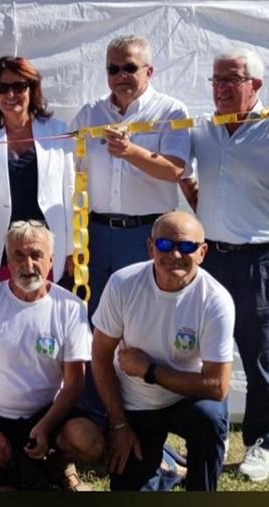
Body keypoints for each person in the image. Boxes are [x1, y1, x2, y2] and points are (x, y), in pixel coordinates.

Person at [91, 211, 235, 491]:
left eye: (187, 246)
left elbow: (217, 386)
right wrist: (118, 424)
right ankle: (168, 464)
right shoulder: (123, 284)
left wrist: (150, 371)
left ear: (202, 252)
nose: (175, 254)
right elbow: (100, 355)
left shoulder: (216, 301)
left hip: (188, 401)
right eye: (165, 244)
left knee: (209, 418)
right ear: (150, 248)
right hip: (137, 404)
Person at [0, 221, 102, 490]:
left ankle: (58, 461)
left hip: (46, 416)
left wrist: (46, 426)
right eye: (18, 255)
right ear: (7, 261)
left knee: (89, 440)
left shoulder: (70, 307)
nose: (28, 264)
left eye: (36, 255)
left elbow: (74, 384)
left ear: (51, 261)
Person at [188, 49, 269, 482]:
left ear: (255, 85)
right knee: (197, 349)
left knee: (259, 356)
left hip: (258, 259)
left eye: (230, 80)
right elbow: (182, 173)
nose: (219, 88)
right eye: (215, 80)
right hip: (209, 257)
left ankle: (262, 441)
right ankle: (201, 437)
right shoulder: (203, 128)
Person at [69, 35, 190, 316]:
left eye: (129, 68)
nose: (121, 75)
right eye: (113, 69)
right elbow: (68, 168)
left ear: (149, 71)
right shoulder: (90, 113)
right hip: (96, 233)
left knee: (144, 317)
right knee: (97, 316)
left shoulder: (171, 111)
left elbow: (175, 170)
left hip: (146, 234)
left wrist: (130, 152)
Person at [0, 56, 74, 289]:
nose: (10, 95)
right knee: (0, 311)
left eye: (19, 87)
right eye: (2, 88)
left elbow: (69, 193)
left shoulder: (58, 131)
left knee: (42, 309)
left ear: (32, 88)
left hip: (45, 250)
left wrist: (72, 249)